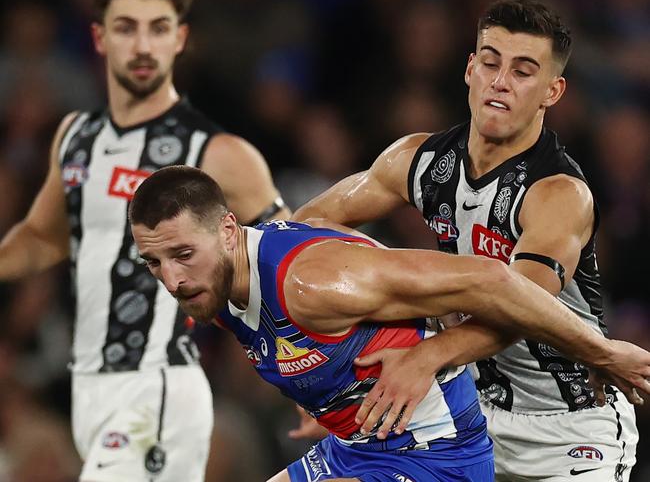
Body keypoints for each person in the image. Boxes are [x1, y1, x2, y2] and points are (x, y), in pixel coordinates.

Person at [293, 0, 643, 480]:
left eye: (523, 71)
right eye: (491, 61)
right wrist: (336, 370)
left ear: (552, 91)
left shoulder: (559, 194)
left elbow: (521, 304)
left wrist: (427, 353)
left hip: (568, 430)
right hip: (464, 414)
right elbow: (305, 230)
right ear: (470, 68)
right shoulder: (416, 160)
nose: (500, 81)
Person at [129, 165, 650, 482]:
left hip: (435, 458)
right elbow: (287, 337)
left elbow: (492, 282)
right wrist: (320, 395)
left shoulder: (315, 281)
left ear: (226, 231)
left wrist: (601, 352)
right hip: (357, 449)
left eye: (181, 255)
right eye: (155, 263)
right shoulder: (210, 283)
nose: (172, 279)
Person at [0, 0, 288, 481]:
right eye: (127, 28)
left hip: (157, 382)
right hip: (90, 387)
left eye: (158, 29)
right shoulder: (75, 136)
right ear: (99, 38)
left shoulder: (217, 152)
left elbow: (288, 253)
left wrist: (312, 376)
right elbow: (43, 237)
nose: (142, 45)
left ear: (179, 39)